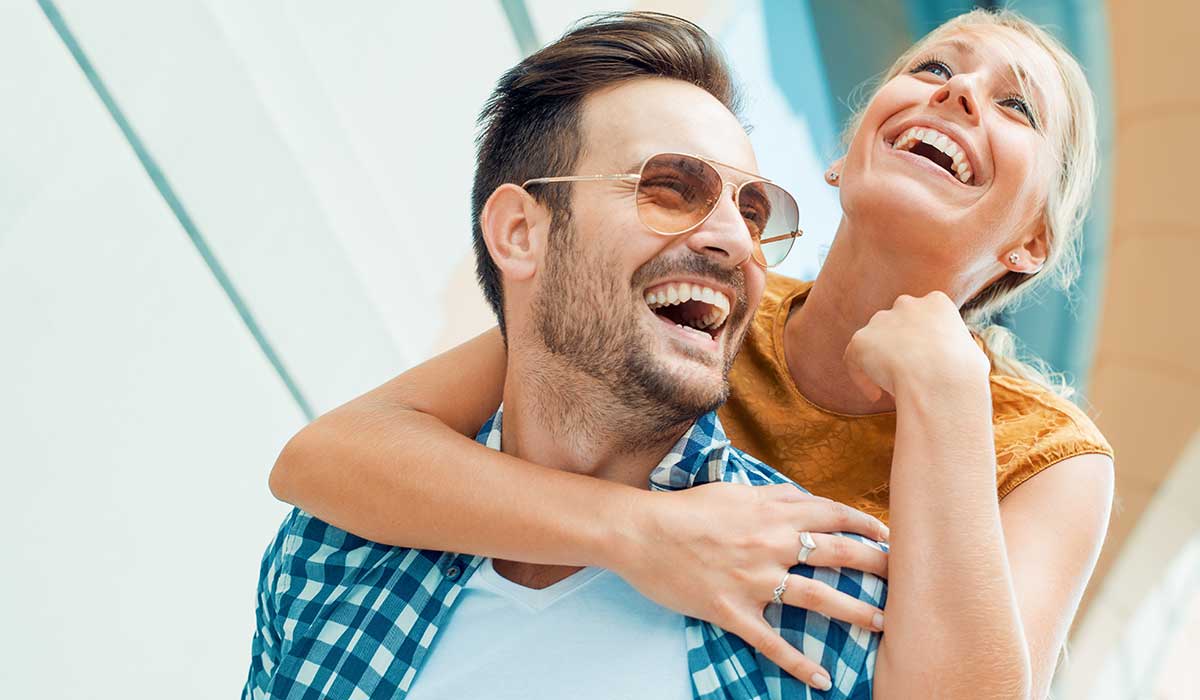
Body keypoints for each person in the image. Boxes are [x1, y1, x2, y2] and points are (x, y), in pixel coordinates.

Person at [268, 8, 1115, 699]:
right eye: (934, 69)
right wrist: (644, 534)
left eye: (1018, 107)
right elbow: (333, 458)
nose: (960, 92)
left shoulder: (1046, 453)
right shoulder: (688, 306)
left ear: (1033, 243)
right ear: (840, 157)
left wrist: (950, 398)